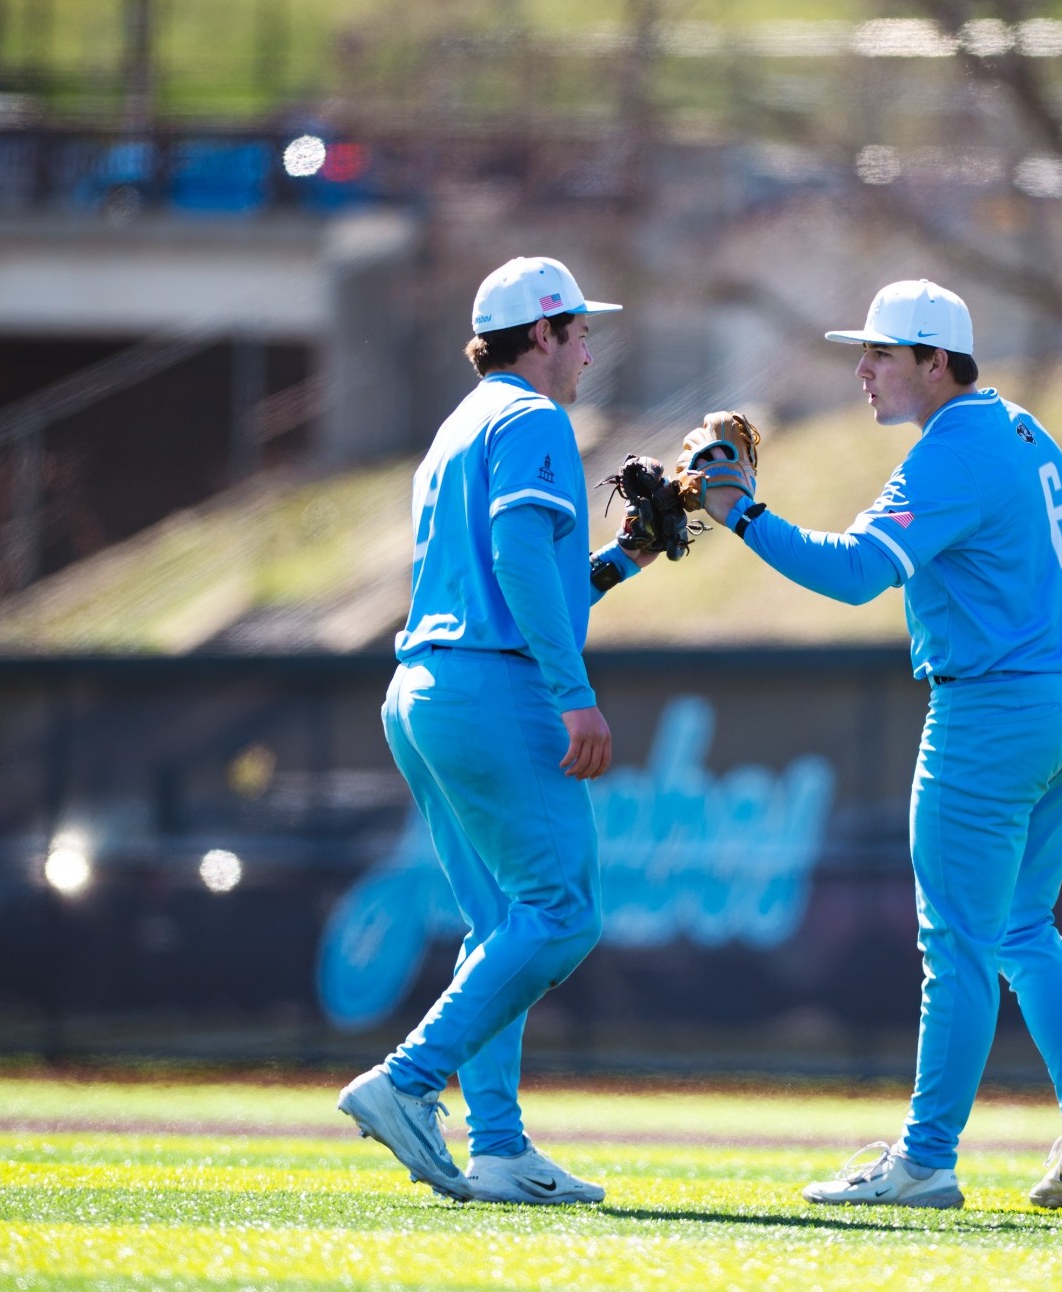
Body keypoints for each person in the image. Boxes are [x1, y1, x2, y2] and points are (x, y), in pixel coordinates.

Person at [694, 279, 1062, 1210]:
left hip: (995, 711)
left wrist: (741, 513)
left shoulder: (954, 448)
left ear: (936, 362)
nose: (862, 370)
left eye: (881, 354)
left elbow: (858, 573)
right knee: (1020, 928)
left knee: (958, 941)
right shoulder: (1020, 427)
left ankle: (925, 1160)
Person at [338, 256, 654, 1206]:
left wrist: (626, 558)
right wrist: (573, 693)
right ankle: (406, 1080)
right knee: (562, 913)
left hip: (423, 686)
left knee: (501, 926)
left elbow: (530, 578)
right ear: (542, 334)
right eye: (579, 331)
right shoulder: (533, 417)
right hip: (491, 684)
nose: (588, 348)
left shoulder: (460, 426)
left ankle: (501, 1148)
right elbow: (517, 562)